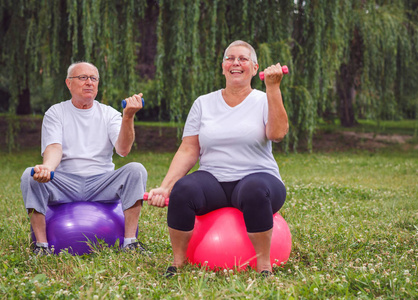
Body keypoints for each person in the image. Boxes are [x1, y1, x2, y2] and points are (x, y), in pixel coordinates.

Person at [146, 40, 289, 276]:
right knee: (183, 190)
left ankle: (264, 265)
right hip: (213, 179)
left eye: (243, 59)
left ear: (255, 68)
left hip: (258, 176)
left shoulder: (264, 100)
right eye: (230, 58)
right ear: (223, 67)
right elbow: (188, 149)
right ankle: (178, 262)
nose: (236, 63)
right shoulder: (203, 103)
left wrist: (273, 88)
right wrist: (165, 187)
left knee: (255, 189)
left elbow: (277, 134)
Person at [21, 62, 148, 256]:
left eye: (93, 78)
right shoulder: (56, 112)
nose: (89, 82)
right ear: (69, 83)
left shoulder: (109, 114)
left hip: (101, 183)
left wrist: (128, 117)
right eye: (82, 78)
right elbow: (54, 147)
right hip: (65, 183)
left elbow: (123, 149)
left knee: (136, 169)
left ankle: (130, 242)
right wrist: (46, 168)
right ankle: (41, 246)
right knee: (29, 175)